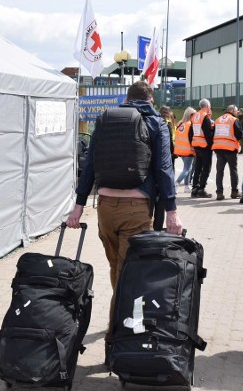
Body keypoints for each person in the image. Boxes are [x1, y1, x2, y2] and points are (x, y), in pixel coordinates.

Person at [67, 80, 183, 361]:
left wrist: (78, 206)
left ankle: (120, 328)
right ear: (151, 99)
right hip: (137, 207)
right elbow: (164, 168)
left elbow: (90, 165)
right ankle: (115, 341)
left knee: (118, 268)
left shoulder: (107, 121)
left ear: (127, 99)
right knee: (131, 275)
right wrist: (172, 211)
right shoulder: (155, 122)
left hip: (105, 206)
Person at [211, 104, 243, 200]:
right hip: (230, 149)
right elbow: (239, 134)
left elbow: (213, 132)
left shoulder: (217, 120)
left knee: (219, 171)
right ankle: (234, 192)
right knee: (233, 170)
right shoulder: (234, 120)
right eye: (236, 111)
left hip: (218, 148)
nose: (237, 113)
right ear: (233, 110)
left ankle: (219, 193)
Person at [153, 105, 176, 231]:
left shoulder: (150, 122)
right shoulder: (165, 125)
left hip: (150, 168)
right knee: (161, 200)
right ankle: (157, 228)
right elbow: (171, 146)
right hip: (164, 162)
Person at [188, 98, 214, 198]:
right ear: (207, 106)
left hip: (196, 145)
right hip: (205, 146)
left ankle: (194, 188)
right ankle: (201, 189)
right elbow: (208, 133)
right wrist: (211, 145)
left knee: (198, 167)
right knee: (206, 168)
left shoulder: (195, 116)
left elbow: (190, 132)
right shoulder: (205, 117)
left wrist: (192, 143)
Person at [174, 107, 196, 192]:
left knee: (188, 168)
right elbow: (192, 138)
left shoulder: (180, 124)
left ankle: (186, 186)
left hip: (180, 150)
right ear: (191, 115)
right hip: (188, 150)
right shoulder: (190, 125)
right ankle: (176, 183)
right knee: (187, 169)